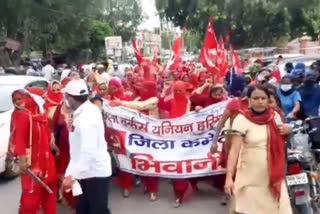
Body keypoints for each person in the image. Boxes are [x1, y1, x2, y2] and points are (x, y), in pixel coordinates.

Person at [224, 84, 292, 214]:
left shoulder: (275, 116)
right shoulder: (242, 119)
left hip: (273, 176)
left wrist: (288, 130)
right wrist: (229, 177)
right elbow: (234, 151)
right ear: (249, 100)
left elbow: (282, 140)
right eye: (255, 98)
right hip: (250, 177)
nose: (259, 102)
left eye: (263, 98)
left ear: (268, 100)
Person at [61, 80, 112, 214]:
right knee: (83, 208)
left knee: (98, 210)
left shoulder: (87, 118)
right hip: (85, 171)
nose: (64, 99)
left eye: (66, 96)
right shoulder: (82, 111)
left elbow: (88, 151)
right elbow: (77, 148)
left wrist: (72, 176)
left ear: (71, 98)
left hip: (95, 173)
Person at [10, 90, 57, 214]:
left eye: (21, 98)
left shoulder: (41, 114)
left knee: (49, 194)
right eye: (15, 99)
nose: (18, 102)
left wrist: (52, 138)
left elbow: (48, 131)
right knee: (30, 200)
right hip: (33, 163)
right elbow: (19, 139)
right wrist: (22, 160)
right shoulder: (22, 115)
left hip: (47, 161)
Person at [111, 81, 160, 201]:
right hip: (133, 136)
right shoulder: (136, 98)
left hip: (149, 138)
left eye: (144, 87)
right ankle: (126, 186)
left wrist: (121, 102)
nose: (142, 89)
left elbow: (141, 106)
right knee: (127, 160)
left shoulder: (154, 99)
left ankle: (152, 190)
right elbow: (131, 106)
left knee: (150, 163)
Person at [158, 81, 192, 208]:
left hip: (186, 138)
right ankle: (178, 193)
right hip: (172, 139)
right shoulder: (171, 102)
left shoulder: (189, 102)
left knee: (184, 165)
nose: (179, 93)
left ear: (184, 91)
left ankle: (184, 189)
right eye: (176, 91)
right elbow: (161, 104)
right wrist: (164, 91)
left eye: (181, 91)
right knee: (176, 166)